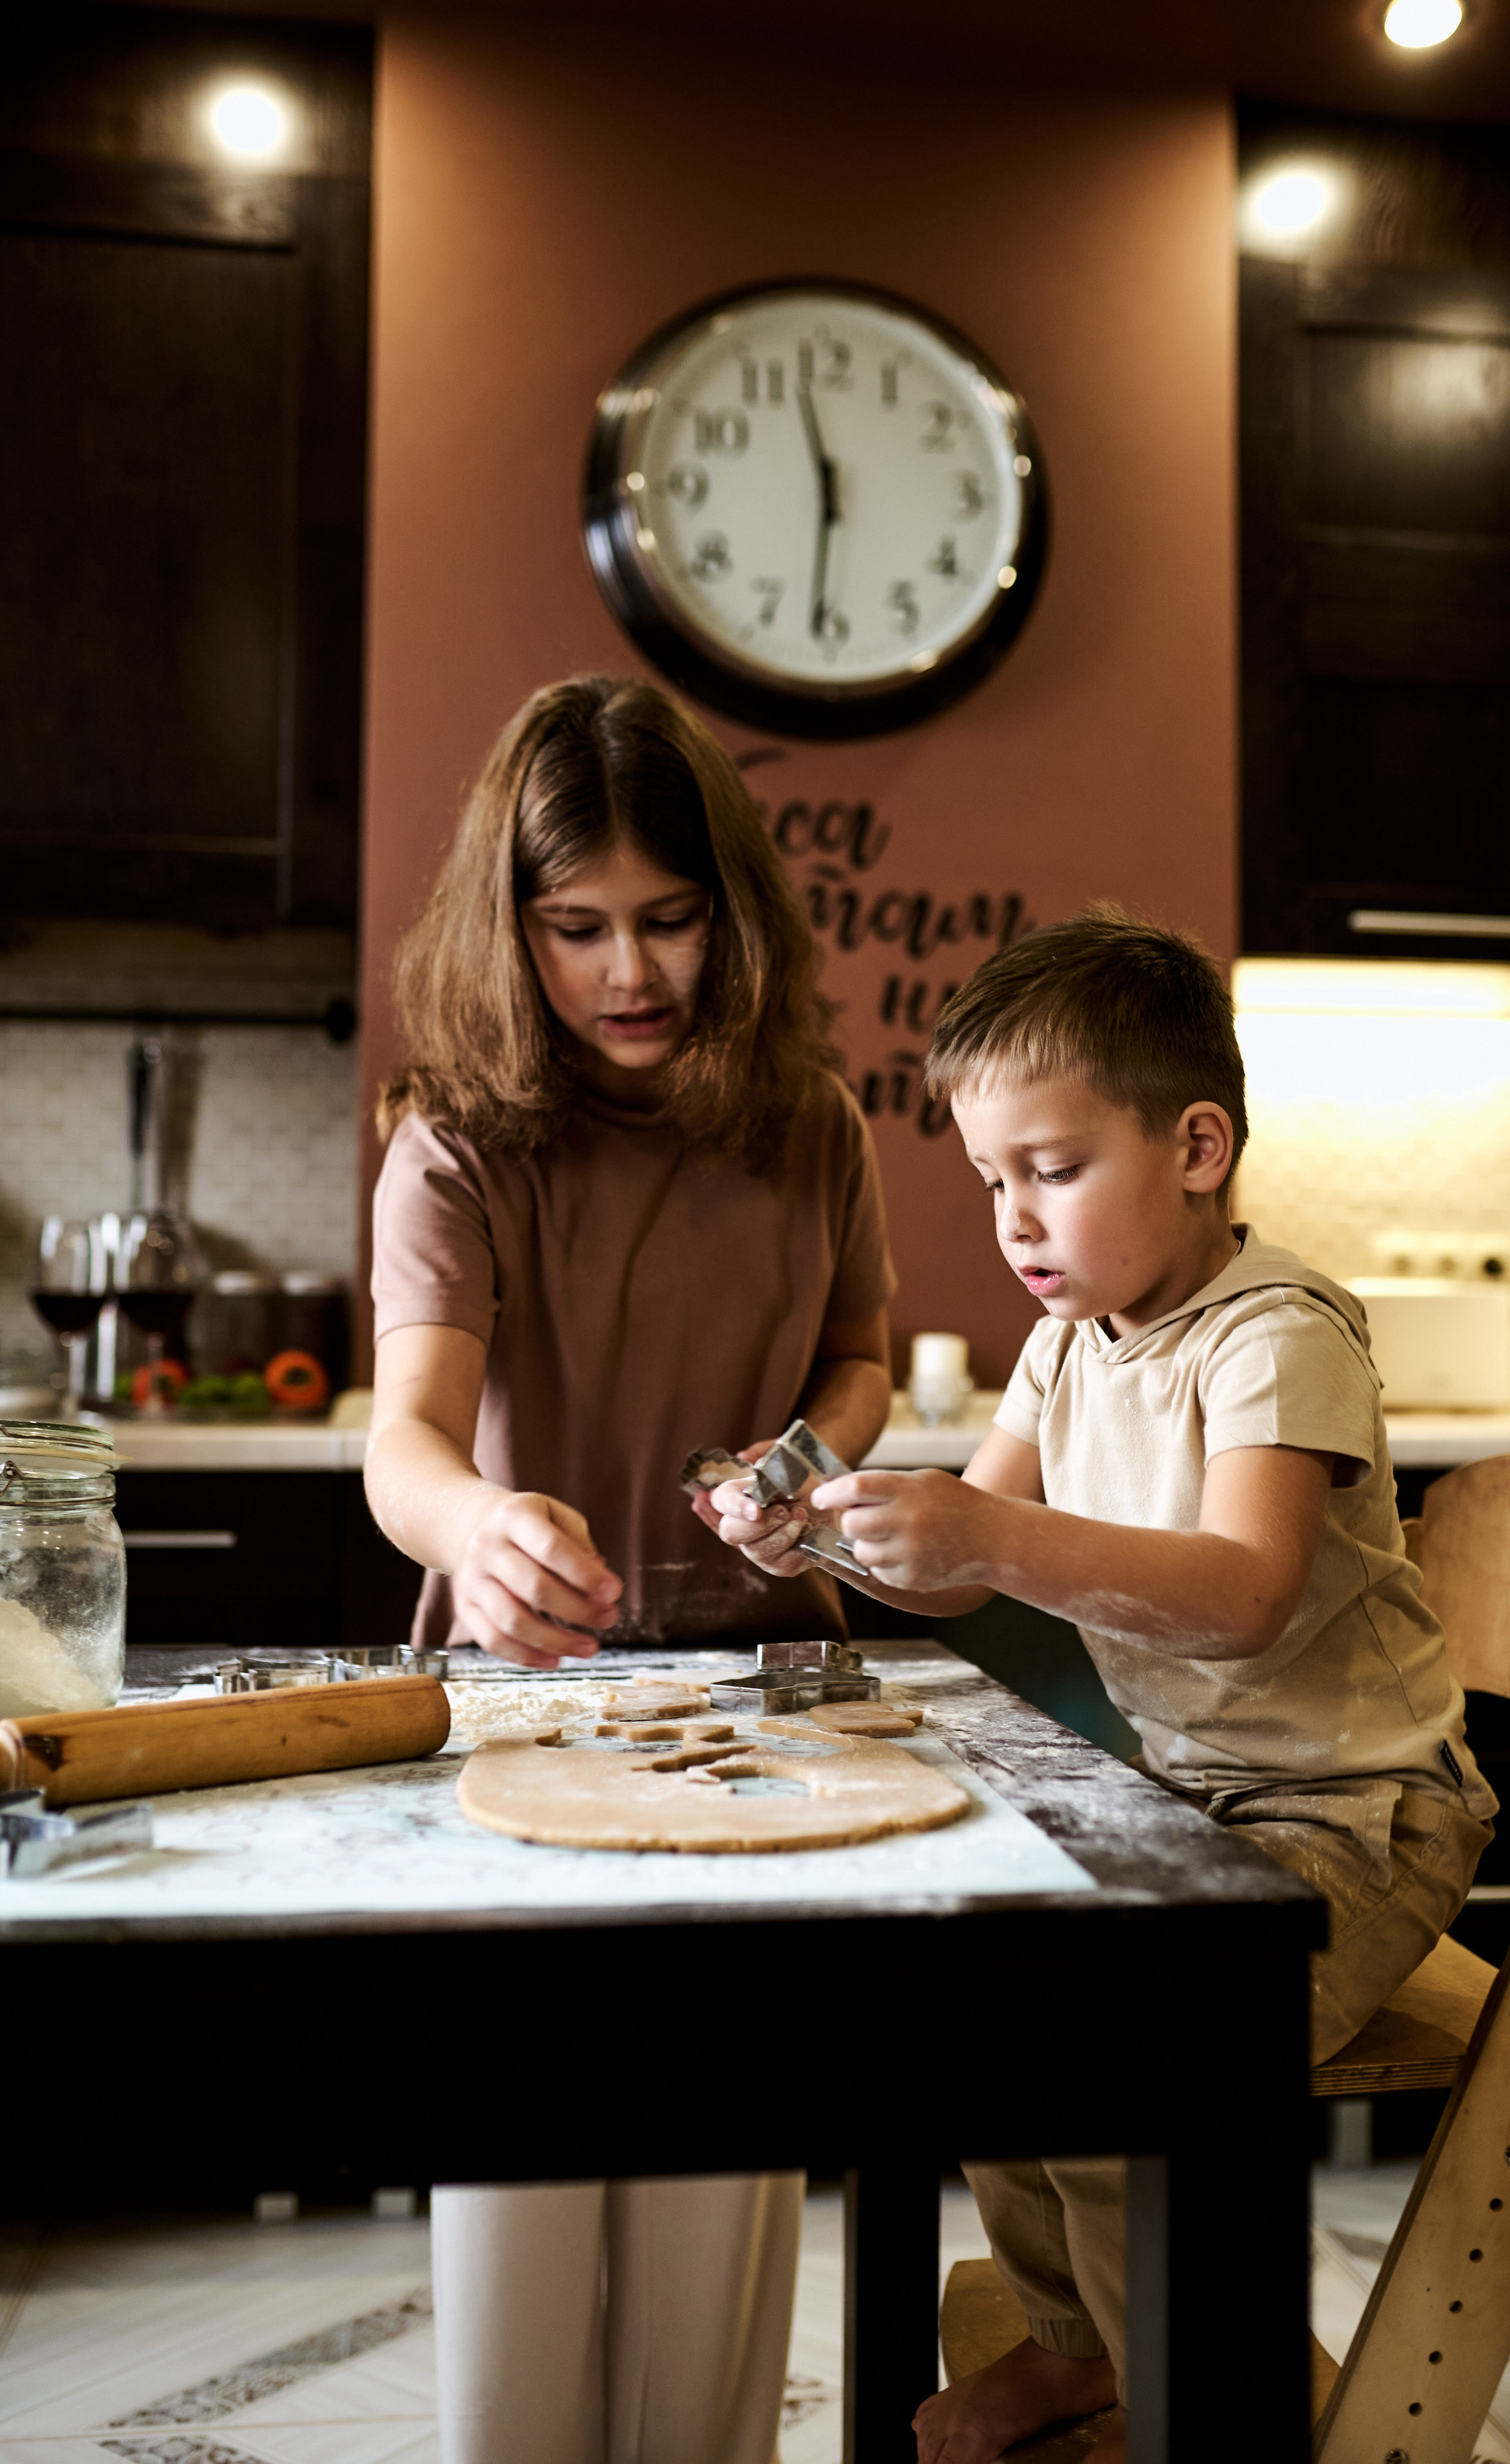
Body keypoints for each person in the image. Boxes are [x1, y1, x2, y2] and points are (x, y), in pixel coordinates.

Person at [703, 902, 1497, 2464]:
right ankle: (1081, 2351)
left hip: (1356, 1817)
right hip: (1194, 1806)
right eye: (989, 1180)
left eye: (1051, 1170)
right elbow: (965, 1571)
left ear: (1196, 1146)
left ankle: (1181, 2388)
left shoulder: (1273, 1337)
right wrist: (831, 1537)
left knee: (1115, 2049)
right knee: (994, 2000)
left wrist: (983, 1527)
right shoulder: (1068, 1343)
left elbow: (1242, 1597)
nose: (1013, 1220)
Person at [365, 675, 895, 2464]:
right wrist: (478, 1529)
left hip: (766, 1694)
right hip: (520, 1703)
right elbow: (405, 1440)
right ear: (506, 927)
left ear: (731, 912)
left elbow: (857, 1361)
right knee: (521, 2205)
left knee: (716, 2224)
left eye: (669, 919)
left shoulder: (812, 1122)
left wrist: (800, 1465)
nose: (629, 972)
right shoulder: (456, 1141)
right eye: (575, 926)